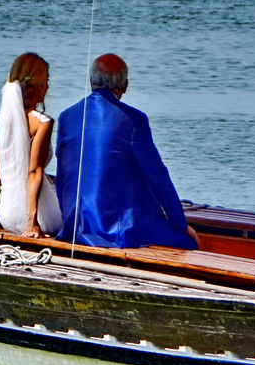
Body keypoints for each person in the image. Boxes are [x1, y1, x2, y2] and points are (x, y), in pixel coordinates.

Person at [54, 54, 197, 250]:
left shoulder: (66, 116)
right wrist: (180, 223)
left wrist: (68, 221)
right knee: (187, 243)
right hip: (114, 231)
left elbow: (62, 177)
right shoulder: (133, 119)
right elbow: (156, 175)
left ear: (90, 81)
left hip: (74, 225)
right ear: (125, 85)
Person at [0, 52, 63, 238]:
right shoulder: (42, 122)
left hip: (7, 215)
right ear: (37, 84)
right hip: (42, 217)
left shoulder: (6, 120)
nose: (48, 86)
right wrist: (31, 223)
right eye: (46, 80)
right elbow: (34, 172)